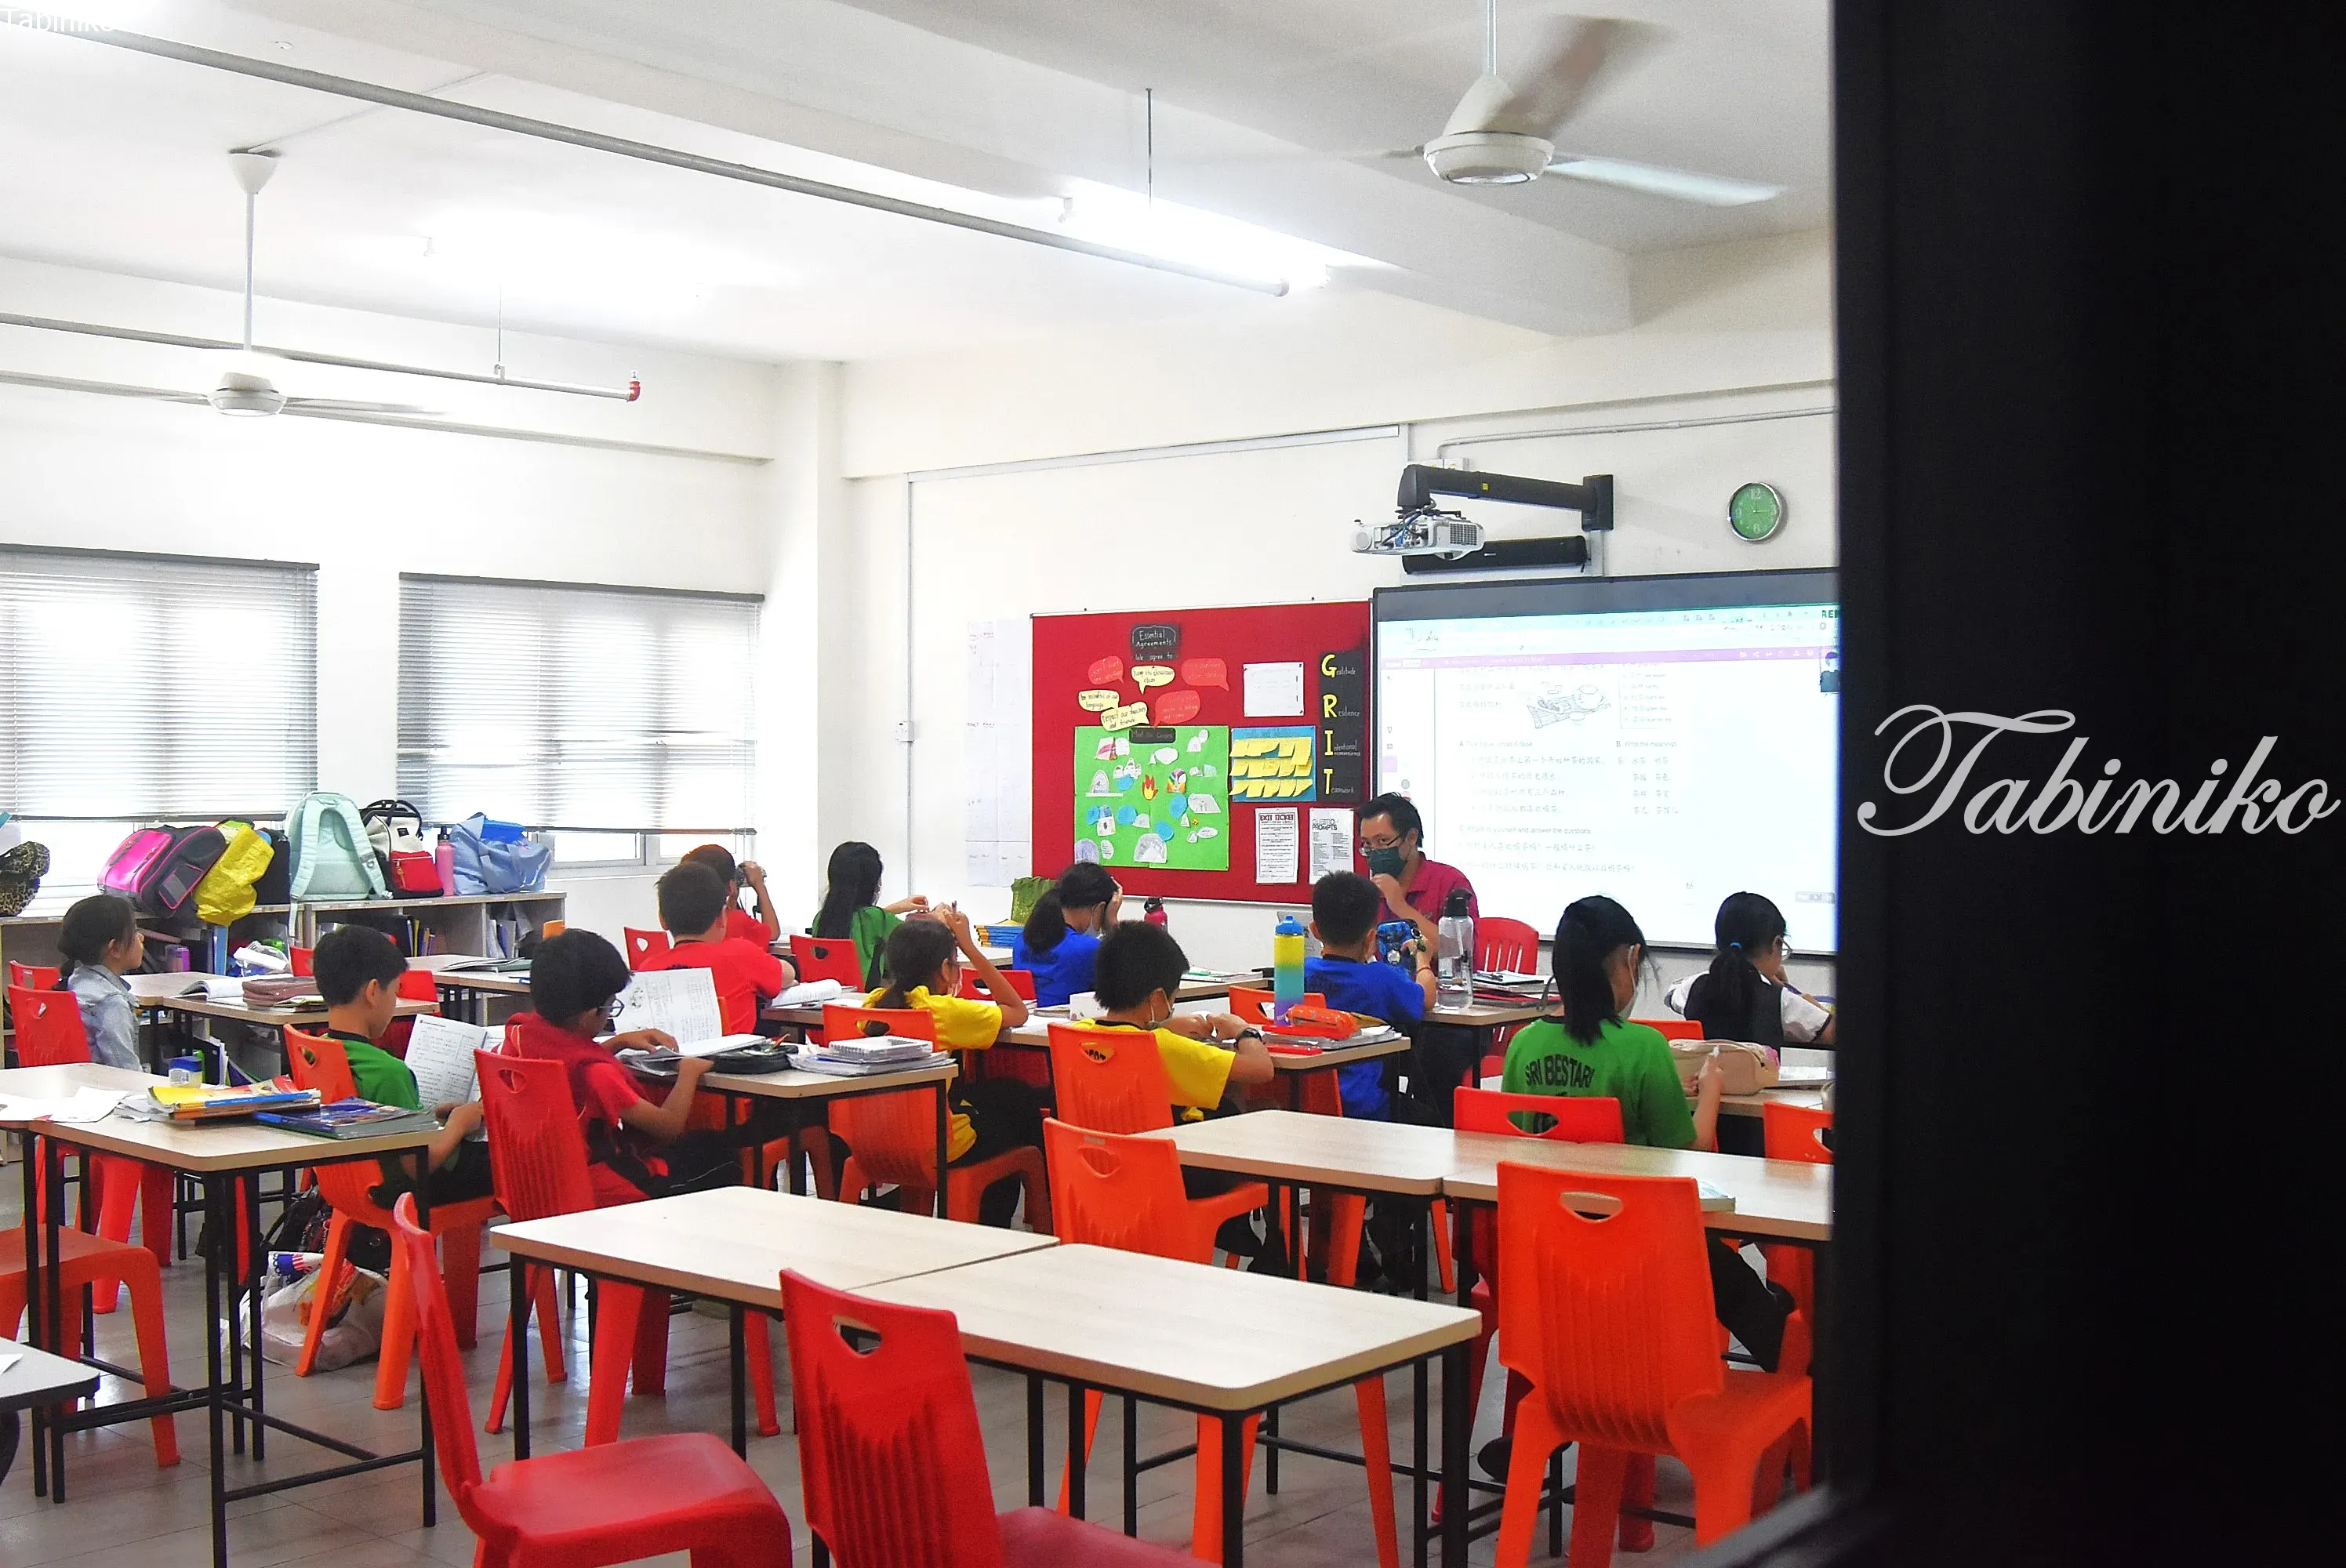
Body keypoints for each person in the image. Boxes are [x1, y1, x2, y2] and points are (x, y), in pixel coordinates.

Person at [1502, 896, 1792, 1362]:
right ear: (1631, 958)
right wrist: (1711, 1090)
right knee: (1727, 1273)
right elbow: (1692, 1150)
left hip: (1548, 1247)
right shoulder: (1643, 1047)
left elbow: (1519, 1140)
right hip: (1637, 1248)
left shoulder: (1524, 1044)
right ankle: (1802, 1369)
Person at [506, 929, 749, 1207]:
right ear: (592, 1014)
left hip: (541, 1182)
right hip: (604, 1190)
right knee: (719, 1154)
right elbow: (668, 1127)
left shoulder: (520, 1037)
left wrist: (617, 1042)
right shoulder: (598, 1074)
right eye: (611, 1006)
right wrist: (689, 1072)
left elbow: (566, 1065)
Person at [1089, 920, 1280, 1265]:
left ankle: (1236, 1228)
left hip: (1098, 1169)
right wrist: (1244, 1031)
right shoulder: (1161, 1047)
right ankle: (1274, 1251)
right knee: (1253, 1115)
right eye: (1173, 999)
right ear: (1157, 998)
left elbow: (1133, 1030)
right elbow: (1261, 1069)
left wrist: (1162, 1024)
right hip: (1173, 1176)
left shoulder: (1079, 1034)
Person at [863, 908, 1048, 1226]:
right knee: (1018, 1124)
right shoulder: (943, 1011)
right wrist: (970, 947)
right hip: (939, 1144)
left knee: (1004, 1095)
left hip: (871, 1138)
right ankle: (999, 1227)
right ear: (946, 969)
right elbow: (1017, 1011)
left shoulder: (873, 1004)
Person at [310, 925, 491, 1208]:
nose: (395, 1002)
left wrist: (429, 1115)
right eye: (395, 991)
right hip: (407, 1192)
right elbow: (416, 1164)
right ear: (373, 992)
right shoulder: (388, 1072)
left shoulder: (316, 1051)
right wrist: (458, 1124)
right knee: (511, 1164)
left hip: (352, 1187)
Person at [1302, 870, 1435, 1121]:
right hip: (1366, 1107)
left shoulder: (1300, 974)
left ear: (1315, 930)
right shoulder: (1380, 979)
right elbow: (1427, 998)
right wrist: (1423, 959)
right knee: (1432, 1118)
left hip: (1304, 1103)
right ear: (1371, 937)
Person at [641, 861, 794, 1034]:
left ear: (662, 919)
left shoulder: (647, 969)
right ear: (722, 917)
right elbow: (787, 974)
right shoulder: (739, 953)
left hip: (672, 1052)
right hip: (733, 1052)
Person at [1665, 891, 1836, 1047]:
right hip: (1759, 1073)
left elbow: (1672, 995)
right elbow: (1834, 1034)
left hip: (1704, 1072)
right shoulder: (1782, 1000)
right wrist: (1811, 1006)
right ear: (1776, 944)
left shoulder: (1692, 986)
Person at [1356, 791, 1479, 944]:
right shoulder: (1368, 890)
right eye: (1367, 844)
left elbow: (1460, 950)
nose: (1374, 851)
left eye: (1382, 841)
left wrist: (1401, 907)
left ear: (1412, 837)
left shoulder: (1451, 882)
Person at [810, 840, 930, 987]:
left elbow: (859, 919)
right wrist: (938, 917)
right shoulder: (875, 919)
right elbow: (918, 938)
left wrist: (898, 907)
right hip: (863, 999)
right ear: (874, 883)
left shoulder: (820, 919)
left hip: (826, 997)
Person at [1011, 861, 1120, 1007]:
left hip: (1028, 1019)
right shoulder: (1088, 948)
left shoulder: (1022, 941)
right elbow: (1131, 982)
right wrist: (1113, 925)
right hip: (1072, 1020)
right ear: (1100, 908)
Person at [56, 892, 143, 1069]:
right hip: (105, 1085)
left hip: (74, 1082)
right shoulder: (110, 1002)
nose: (141, 937)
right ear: (115, 948)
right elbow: (126, 1071)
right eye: (134, 932)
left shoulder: (75, 980)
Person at [680, 843, 781, 945]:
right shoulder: (735, 920)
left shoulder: (685, 920)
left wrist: (733, 899)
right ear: (729, 885)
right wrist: (759, 885)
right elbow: (772, 934)